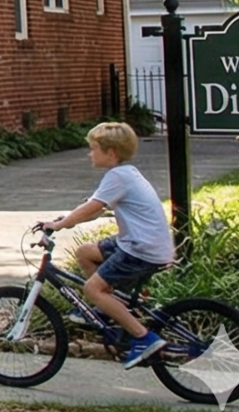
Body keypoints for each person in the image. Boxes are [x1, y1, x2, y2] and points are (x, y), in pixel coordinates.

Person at [40, 120, 174, 368]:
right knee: (85, 253)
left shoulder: (117, 176)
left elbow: (92, 207)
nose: (89, 154)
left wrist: (58, 226)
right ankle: (108, 309)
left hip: (141, 249)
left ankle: (144, 338)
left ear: (110, 153)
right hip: (141, 243)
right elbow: (94, 210)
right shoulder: (126, 173)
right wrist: (64, 221)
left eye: (93, 148)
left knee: (92, 289)